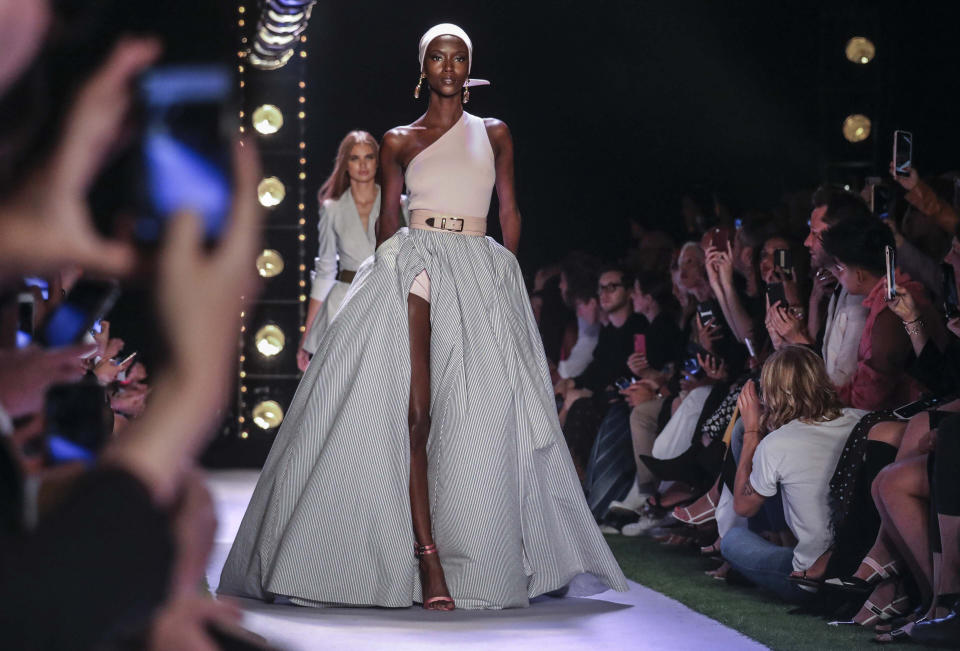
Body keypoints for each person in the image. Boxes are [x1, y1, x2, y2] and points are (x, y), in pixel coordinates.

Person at [219, 23, 627, 611]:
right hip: (415, 266)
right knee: (415, 410)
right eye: (437, 57)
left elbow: (509, 208)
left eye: (458, 57)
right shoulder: (398, 140)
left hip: (483, 272)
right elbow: (390, 221)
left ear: (470, 67)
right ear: (423, 67)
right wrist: (382, 283)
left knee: (481, 417)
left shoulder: (495, 133)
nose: (448, 66)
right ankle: (426, 558)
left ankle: (488, 558)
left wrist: (512, 282)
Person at [723, 345, 865, 604]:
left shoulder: (776, 444)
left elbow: (743, 507)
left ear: (771, 393)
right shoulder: (862, 420)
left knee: (732, 539)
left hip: (808, 579)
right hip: (859, 565)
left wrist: (752, 433)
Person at [297, 131, 409, 369]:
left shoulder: (400, 205)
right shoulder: (332, 209)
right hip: (343, 303)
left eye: (368, 157)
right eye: (355, 158)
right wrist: (307, 336)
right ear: (345, 164)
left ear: (377, 162)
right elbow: (326, 269)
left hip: (388, 301)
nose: (362, 165)